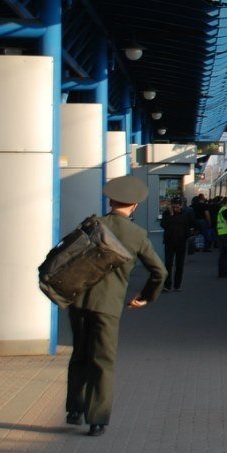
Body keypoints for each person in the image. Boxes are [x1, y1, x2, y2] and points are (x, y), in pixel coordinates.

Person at [65, 175, 166, 438]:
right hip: (108, 307)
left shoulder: (92, 225)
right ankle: (97, 420)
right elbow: (160, 272)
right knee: (103, 360)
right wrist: (145, 297)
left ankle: (74, 410)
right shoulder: (137, 235)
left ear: (110, 201)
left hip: (78, 301)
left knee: (80, 354)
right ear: (134, 205)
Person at [159, 198, 191, 291]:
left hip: (181, 242)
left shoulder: (185, 214)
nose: (175, 209)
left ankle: (177, 285)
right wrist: (171, 215)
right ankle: (167, 285)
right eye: (173, 207)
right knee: (168, 264)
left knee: (179, 264)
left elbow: (187, 226)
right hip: (169, 242)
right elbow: (164, 225)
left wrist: (186, 237)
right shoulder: (166, 213)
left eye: (177, 207)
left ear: (181, 206)